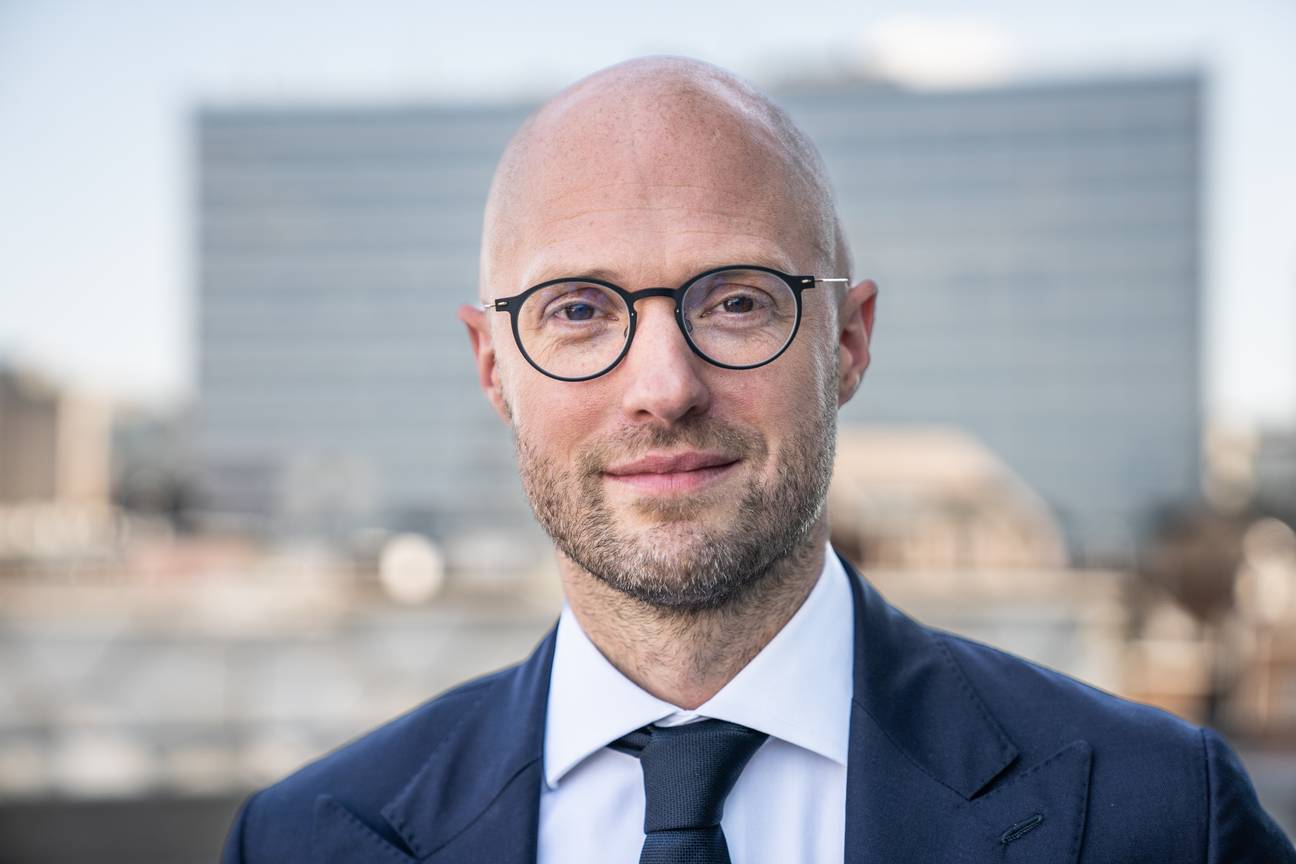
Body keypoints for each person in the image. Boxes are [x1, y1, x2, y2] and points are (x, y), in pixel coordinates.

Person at [221, 56, 1295, 863]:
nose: (663, 386)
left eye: (737, 301)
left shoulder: (1159, 817)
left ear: (851, 342)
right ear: (494, 364)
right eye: (579, 309)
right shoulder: (304, 840)